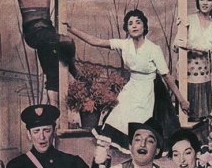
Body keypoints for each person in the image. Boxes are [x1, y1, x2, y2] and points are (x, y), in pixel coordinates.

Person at [65, 9, 188, 154]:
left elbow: (167, 76)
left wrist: (181, 100)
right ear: (127, 28)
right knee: (116, 118)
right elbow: (95, 41)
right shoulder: (125, 44)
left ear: (144, 26)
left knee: (140, 124)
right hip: (131, 87)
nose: (134, 26)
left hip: (149, 89)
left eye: (138, 22)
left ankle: (140, 155)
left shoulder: (153, 49)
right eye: (130, 23)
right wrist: (71, 29)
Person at [173, 0, 212, 124]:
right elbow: (176, 45)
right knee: (184, 117)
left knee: (202, 118)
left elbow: (210, 47)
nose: (205, 3)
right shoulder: (188, 19)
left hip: (206, 76)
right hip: (186, 74)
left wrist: (190, 44)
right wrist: (181, 33)